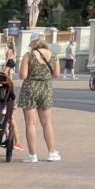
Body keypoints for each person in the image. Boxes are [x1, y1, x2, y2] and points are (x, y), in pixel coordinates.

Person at [18, 34, 60, 163]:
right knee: (47, 123)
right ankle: (51, 153)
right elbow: (56, 74)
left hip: (30, 89)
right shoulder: (54, 55)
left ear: (32, 43)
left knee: (30, 123)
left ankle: (32, 155)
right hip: (45, 89)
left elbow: (23, 75)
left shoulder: (28, 56)